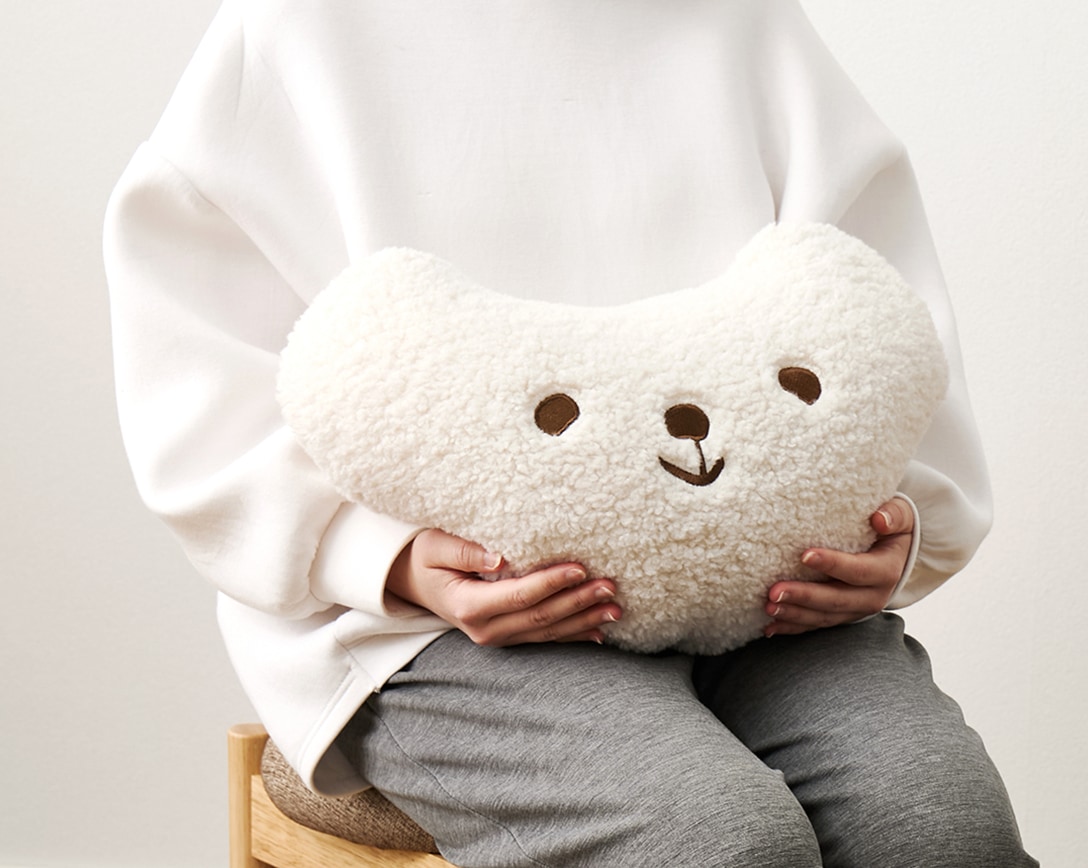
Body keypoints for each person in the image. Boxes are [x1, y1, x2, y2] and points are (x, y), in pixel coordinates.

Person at [105, 1, 1036, 865]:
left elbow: (871, 304)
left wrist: (894, 523)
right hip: (443, 631)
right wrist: (383, 558)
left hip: (769, 604)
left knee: (942, 828)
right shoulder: (297, 30)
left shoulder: (740, 21)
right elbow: (194, 356)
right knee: (713, 842)